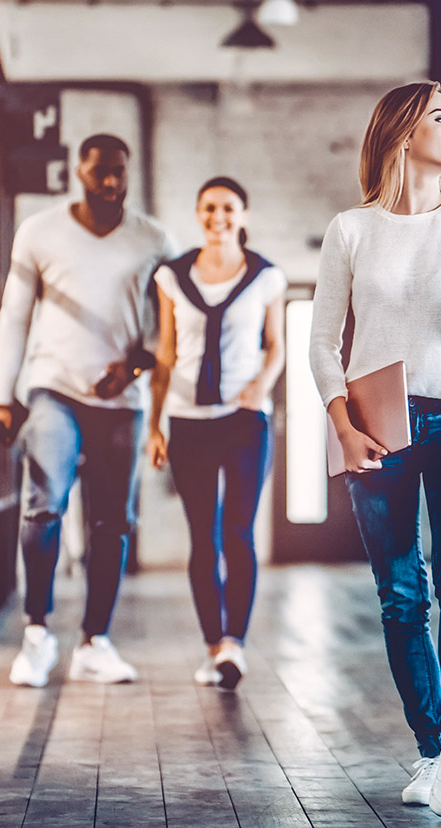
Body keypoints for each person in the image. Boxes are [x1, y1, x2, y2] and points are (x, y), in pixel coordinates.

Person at [309, 82, 441, 820]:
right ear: (402, 130)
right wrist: (342, 425)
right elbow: (323, 341)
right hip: (376, 425)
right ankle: (429, 749)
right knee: (401, 593)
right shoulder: (351, 230)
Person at [0, 133, 178, 687]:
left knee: (112, 523)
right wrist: (2, 396)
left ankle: (96, 641)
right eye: (100, 173)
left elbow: (171, 325)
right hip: (54, 388)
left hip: (122, 399)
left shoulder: (154, 239)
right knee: (43, 507)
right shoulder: (40, 232)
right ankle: (38, 636)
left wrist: (137, 365)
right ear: (80, 172)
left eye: (119, 171)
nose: (111, 182)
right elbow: (15, 314)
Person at [146, 176, 286, 691]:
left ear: (243, 215)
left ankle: (235, 645)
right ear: (198, 213)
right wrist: (156, 425)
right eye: (208, 207)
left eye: (228, 207)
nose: (218, 216)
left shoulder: (266, 277)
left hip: (246, 421)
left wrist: (260, 385)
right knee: (203, 539)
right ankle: (212, 646)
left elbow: (277, 345)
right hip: (187, 420)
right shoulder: (172, 276)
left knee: (239, 533)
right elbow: (164, 354)